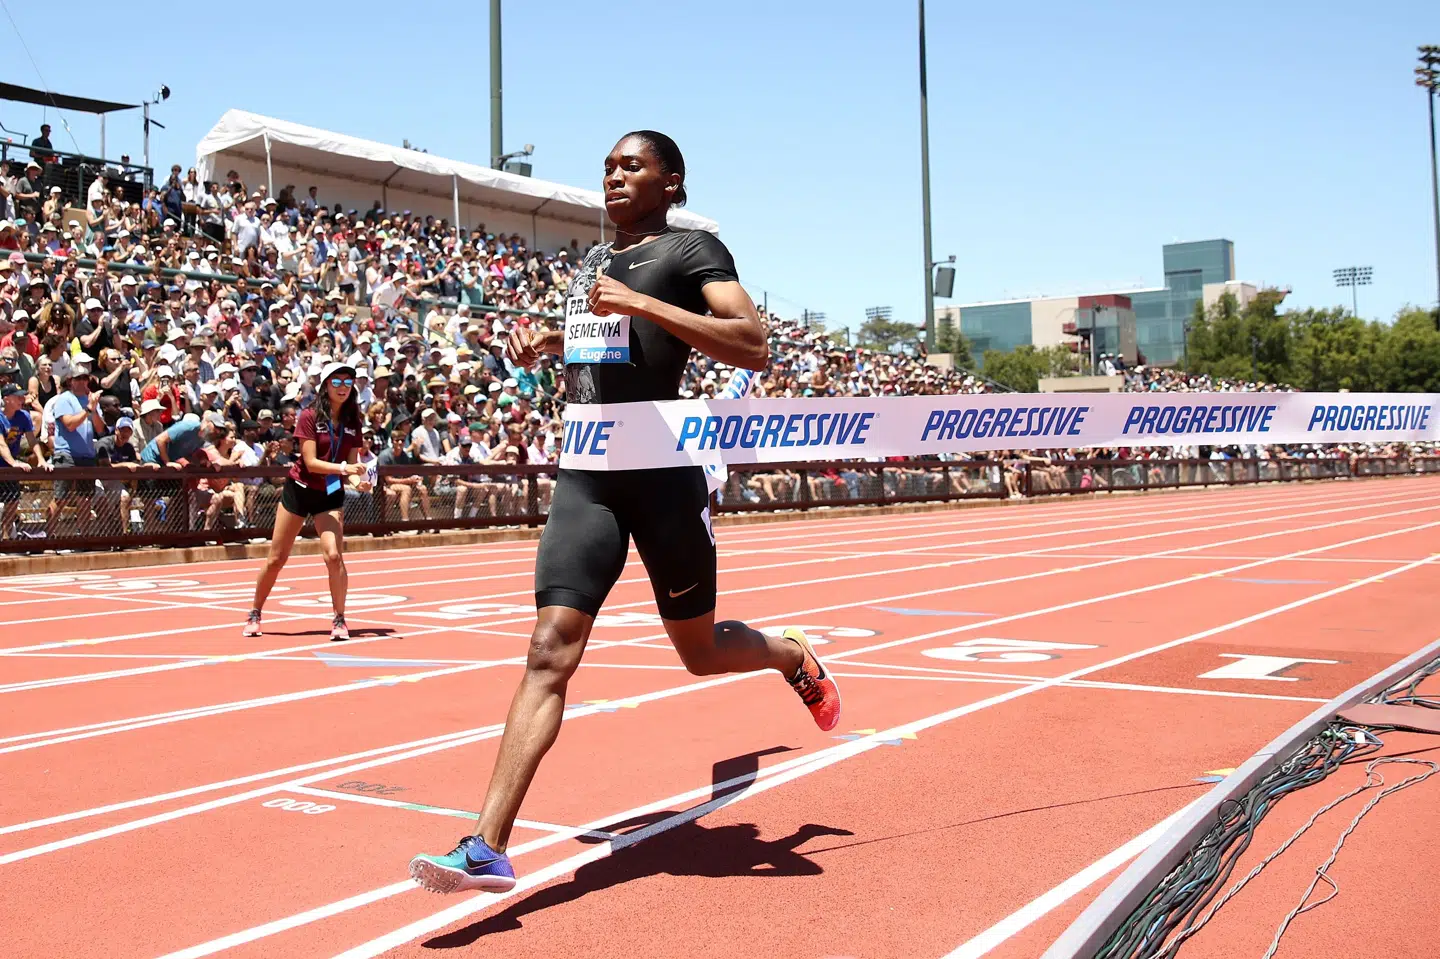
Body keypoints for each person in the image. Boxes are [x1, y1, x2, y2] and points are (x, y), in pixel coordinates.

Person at [409, 131, 841, 894]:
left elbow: (752, 343)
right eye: (608, 166)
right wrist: (559, 340)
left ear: (671, 183)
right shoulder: (591, 262)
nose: (614, 176)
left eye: (632, 166)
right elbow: (617, 349)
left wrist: (641, 302)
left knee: (699, 652)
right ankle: (486, 845)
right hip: (588, 472)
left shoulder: (691, 249)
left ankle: (788, 654)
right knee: (549, 646)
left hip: (662, 472)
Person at [243, 362, 369, 641]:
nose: (343, 387)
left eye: (348, 382)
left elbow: (352, 466)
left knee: (334, 555)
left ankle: (339, 618)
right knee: (277, 558)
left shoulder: (353, 422)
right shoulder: (309, 416)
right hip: (300, 490)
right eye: (337, 382)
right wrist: (345, 470)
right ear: (325, 386)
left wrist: (359, 482)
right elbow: (311, 462)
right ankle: (255, 612)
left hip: (330, 493)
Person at [0, 384, 36, 536]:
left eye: (23, 396)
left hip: (9, 468)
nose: (22, 399)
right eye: (18, 397)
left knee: (12, 503)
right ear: (7, 399)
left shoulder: (23, 416)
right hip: (6, 465)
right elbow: (1, 444)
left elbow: (32, 440)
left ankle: (7, 541)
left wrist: (41, 460)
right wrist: (14, 463)